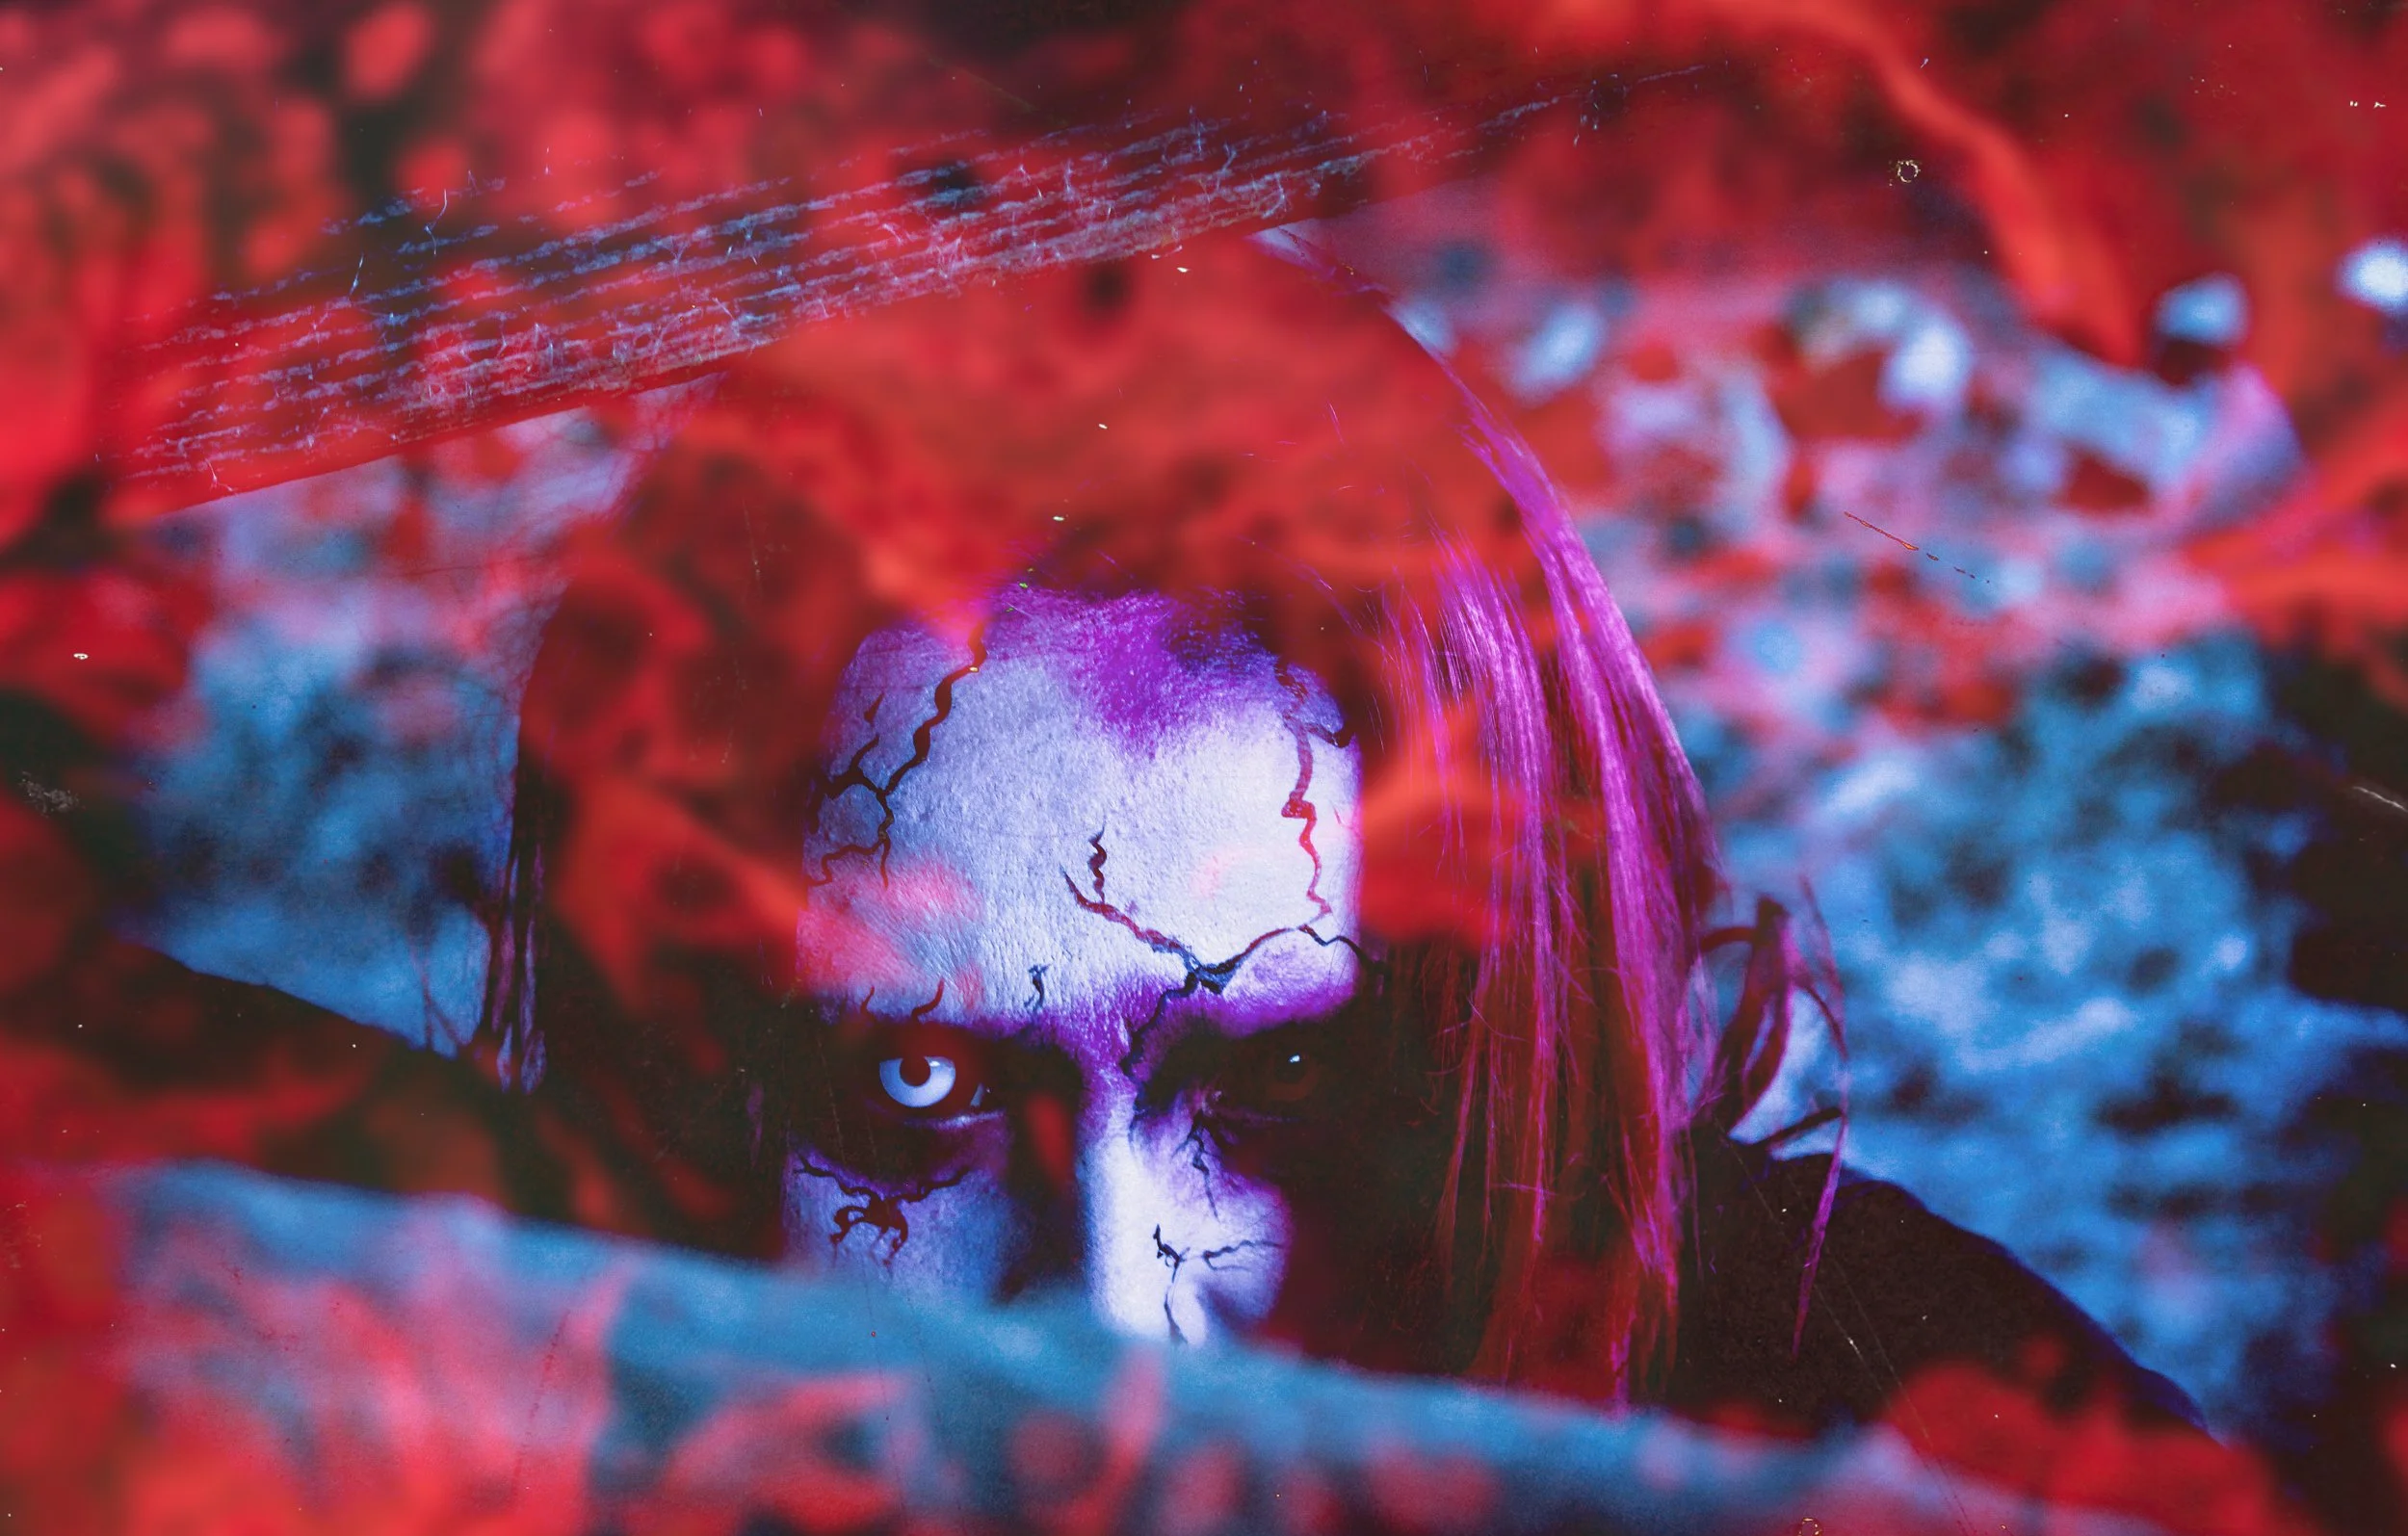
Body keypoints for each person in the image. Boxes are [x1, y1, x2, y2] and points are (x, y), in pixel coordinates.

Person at [479, 236, 2200, 1431]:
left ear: (1521, 1035)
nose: (1109, 1325)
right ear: (684, 1078)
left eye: (1284, 1082)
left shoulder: (1921, 1462)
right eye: (912, 1085)